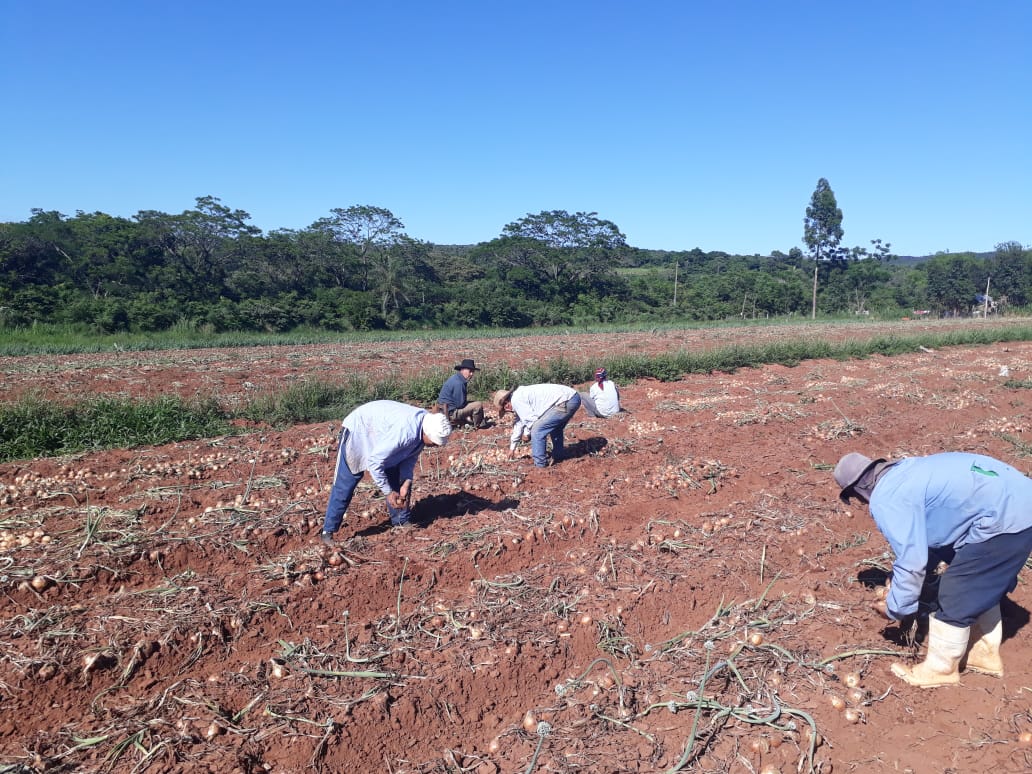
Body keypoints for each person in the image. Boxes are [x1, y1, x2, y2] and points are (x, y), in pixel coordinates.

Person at [834, 451, 1032, 687]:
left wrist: (895, 608)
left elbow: (912, 560)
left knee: (956, 591)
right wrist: (899, 579)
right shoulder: (907, 471)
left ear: (857, 490)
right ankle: (983, 654)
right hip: (1020, 498)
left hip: (1006, 516)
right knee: (978, 582)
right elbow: (929, 538)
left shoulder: (885, 498)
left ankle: (941, 669)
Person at [320, 401, 451, 543]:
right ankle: (328, 531)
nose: (434, 446)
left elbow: (410, 458)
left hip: (382, 434)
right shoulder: (404, 432)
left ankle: (401, 522)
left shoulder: (426, 425)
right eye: (434, 441)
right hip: (360, 430)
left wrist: (406, 482)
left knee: (397, 478)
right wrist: (388, 492)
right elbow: (375, 462)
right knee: (346, 483)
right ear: (427, 432)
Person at [493, 384, 581, 468]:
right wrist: (512, 448)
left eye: (505, 410)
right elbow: (519, 424)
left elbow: (531, 422)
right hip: (572, 397)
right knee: (555, 428)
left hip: (566, 400)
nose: (509, 412)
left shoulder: (516, 400)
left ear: (506, 405)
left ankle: (540, 465)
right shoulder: (518, 397)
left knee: (537, 430)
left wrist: (527, 434)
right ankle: (558, 456)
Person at [437, 358, 486, 429]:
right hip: (451, 412)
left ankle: (473, 421)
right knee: (478, 405)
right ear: (463, 370)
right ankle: (478, 426)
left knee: (472, 403)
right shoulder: (459, 383)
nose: (471, 374)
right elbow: (459, 405)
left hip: (446, 409)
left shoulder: (456, 378)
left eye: (472, 372)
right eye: (470, 371)